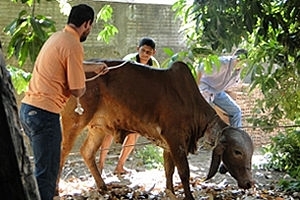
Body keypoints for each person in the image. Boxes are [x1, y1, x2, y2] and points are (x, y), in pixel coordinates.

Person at [19, 4, 108, 200]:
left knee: (41, 169)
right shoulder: (74, 44)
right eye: (90, 26)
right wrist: (84, 86)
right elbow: (77, 89)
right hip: (44, 115)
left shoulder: (58, 38)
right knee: (47, 175)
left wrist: (93, 68)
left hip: (28, 110)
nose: (89, 30)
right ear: (87, 23)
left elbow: (70, 64)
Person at [99, 37, 160, 175]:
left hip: (138, 107)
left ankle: (120, 166)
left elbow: (154, 89)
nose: (145, 54)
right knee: (110, 132)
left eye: (148, 52)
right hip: (120, 102)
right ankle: (101, 165)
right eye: (143, 50)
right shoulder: (128, 61)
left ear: (153, 53)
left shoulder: (155, 66)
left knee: (134, 134)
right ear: (137, 49)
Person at [197, 48, 248, 128]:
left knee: (236, 111)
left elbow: (225, 83)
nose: (239, 64)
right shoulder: (222, 63)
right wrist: (196, 90)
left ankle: (237, 136)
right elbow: (200, 68)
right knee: (206, 113)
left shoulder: (238, 71)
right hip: (205, 88)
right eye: (237, 60)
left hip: (218, 92)